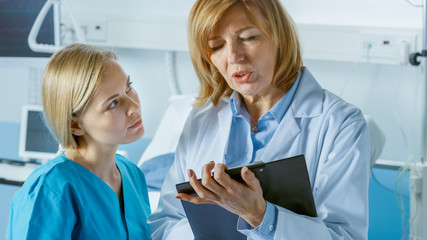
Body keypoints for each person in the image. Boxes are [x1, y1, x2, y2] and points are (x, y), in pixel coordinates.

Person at [148, 0, 370, 239]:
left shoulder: (340, 123)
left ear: (279, 38)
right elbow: (166, 222)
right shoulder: (203, 118)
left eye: (248, 37)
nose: (234, 56)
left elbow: (346, 236)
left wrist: (261, 217)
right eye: (217, 45)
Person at [8, 44, 151, 239]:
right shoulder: (51, 190)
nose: (134, 107)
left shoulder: (132, 175)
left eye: (129, 87)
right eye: (113, 103)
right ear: (75, 124)